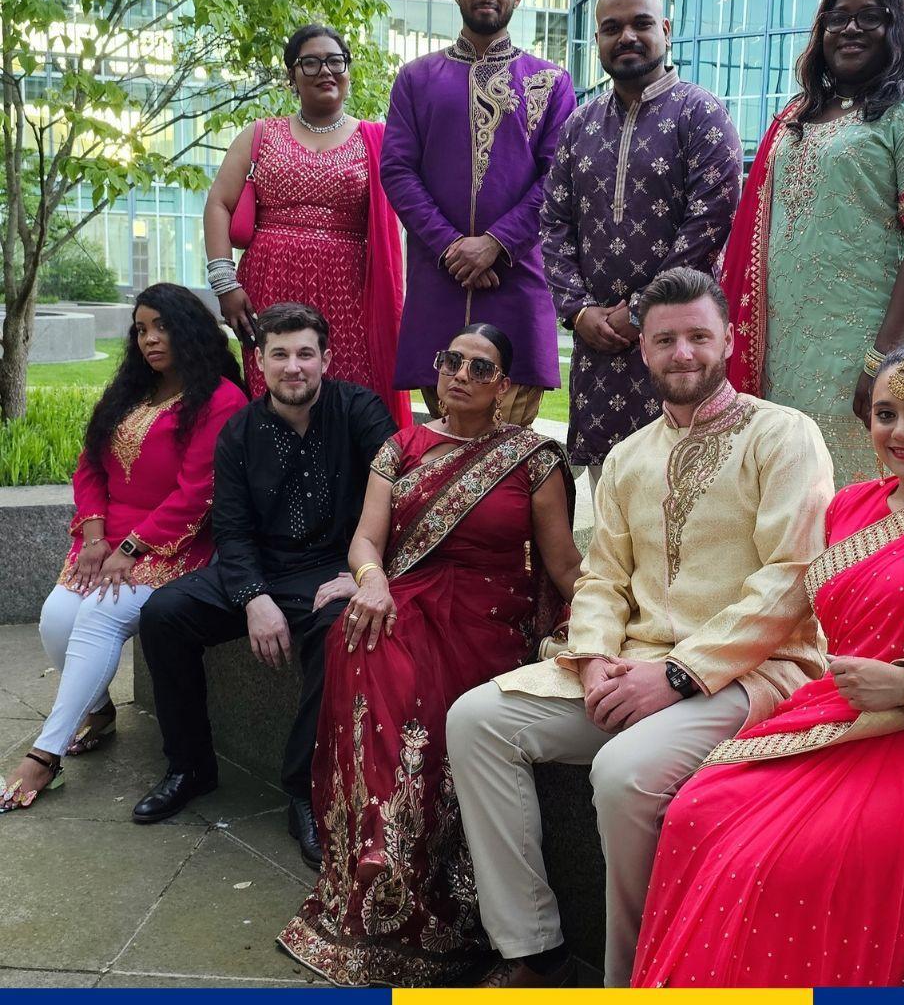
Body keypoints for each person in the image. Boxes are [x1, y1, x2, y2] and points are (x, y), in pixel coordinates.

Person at [633, 326, 904, 988]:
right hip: (830, 720)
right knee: (700, 812)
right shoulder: (852, 508)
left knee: (791, 862)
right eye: (886, 414)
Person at [445, 268, 834, 987]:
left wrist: (679, 675)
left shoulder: (785, 436)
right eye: (665, 340)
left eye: (697, 337)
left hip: (753, 672)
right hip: (632, 669)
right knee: (476, 720)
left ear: (727, 340)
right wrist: (592, 660)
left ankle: (633, 980)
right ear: (643, 352)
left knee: (622, 774)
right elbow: (601, 578)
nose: (682, 353)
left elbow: (793, 579)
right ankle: (531, 945)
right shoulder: (628, 456)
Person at [278, 323, 582, 987]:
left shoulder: (529, 458)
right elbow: (365, 542)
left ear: (503, 385)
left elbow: (562, 566)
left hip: (487, 620)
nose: (461, 375)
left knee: (422, 691)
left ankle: (444, 896)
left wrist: (609, 627)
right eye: (452, 360)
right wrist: (374, 581)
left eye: (481, 367)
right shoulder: (401, 446)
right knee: (365, 648)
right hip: (404, 599)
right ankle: (376, 883)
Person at [132, 303, 396, 870]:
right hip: (262, 569)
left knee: (342, 635)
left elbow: (401, 500)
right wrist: (253, 597)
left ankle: (303, 788)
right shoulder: (240, 432)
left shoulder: (360, 412)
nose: (293, 367)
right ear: (260, 362)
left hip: (336, 570)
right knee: (163, 613)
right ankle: (190, 766)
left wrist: (362, 575)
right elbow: (230, 527)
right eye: (280, 354)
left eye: (305, 353)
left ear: (327, 358)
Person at [0, 283, 247, 812]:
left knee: (97, 619)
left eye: (161, 327)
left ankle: (45, 754)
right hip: (105, 541)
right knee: (56, 617)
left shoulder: (222, 399)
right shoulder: (132, 390)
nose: (150, 340)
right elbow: (90, 466)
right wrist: (94, 537)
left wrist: (131, 548)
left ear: (191, 329)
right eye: (140, 329)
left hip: (175, 546)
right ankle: (101, 710)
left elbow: (197, 492)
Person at [721, 0, 904, 487]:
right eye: (838, 18)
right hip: (776, 351)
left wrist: (883, 360)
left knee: (860, 492)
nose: (851, 29)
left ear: (897, 29)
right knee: (787, 490)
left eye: (869, 17)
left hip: (861, 350)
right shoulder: (794, 118)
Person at [542, 0, 742, 484]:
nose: (627, 36)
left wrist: (641, 313)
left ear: (667, 31)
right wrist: (578, 310)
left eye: (641, 23)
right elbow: (554, 224)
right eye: (612, 28)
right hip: (598, 344)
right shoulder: (579, 125)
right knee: (608, 489)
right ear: (598, 41)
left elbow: (709, 223)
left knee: (688, 481)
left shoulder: (702, 114)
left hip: (678, 339)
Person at [381, 0, 576, 427]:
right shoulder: (416, 79)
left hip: (516, 279)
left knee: (509, 447)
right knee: (446, 436)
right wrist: (452, 246)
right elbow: (397, 170)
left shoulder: (551, 81)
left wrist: (495, 243)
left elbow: (559, 177)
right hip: (439, 281)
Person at [203, 23, 411, 426]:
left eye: (335, 61)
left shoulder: (379, 139)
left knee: (348, 397)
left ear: (349, 71)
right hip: (267, 288)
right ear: (292, 76)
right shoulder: (261, 134)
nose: (325, 71)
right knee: (279, 389)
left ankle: (352, 488)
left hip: (351, 294)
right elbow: (219, 203)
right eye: (310, 63)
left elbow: (416, 205)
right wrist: (225, 283)